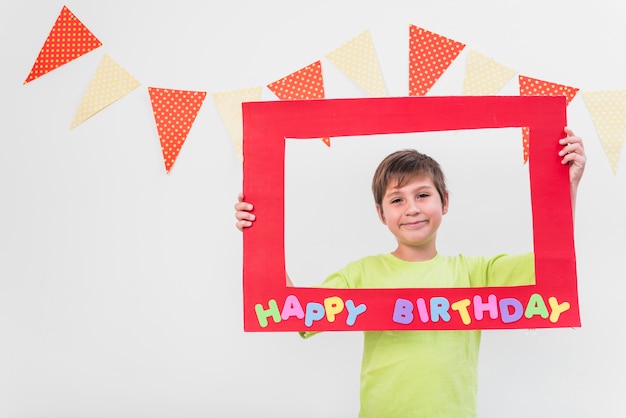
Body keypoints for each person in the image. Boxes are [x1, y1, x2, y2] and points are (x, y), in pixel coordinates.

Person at [234, 127, 586, 417]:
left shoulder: (475, 272)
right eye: (397, 199)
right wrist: (260, 234)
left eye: (423, 195)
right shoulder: (363, 273)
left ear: (444, 202)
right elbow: (295, 312)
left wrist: (564, 187)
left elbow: (550, 264)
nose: (412, 209)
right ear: (380, 213)